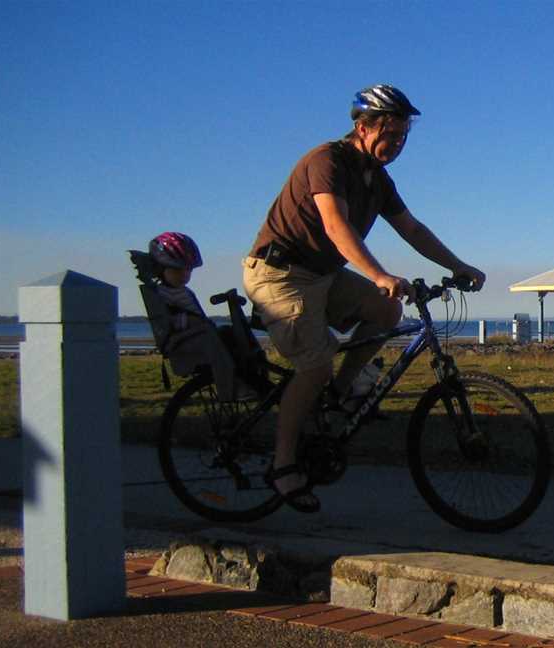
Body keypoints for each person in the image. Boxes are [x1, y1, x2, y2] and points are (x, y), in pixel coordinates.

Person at [243, 84, 486, 513]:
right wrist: (377, 273)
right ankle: (283, 465)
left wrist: (457, 265)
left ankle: (339, 393)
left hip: (322, 274)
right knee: (314, 365)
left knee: (386, 310)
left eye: (402, 137)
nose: (395, 145)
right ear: (361, 127)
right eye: (388, 134)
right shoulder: (327, 161)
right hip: (279, 273)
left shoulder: (380, 180)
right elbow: (336, 226)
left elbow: (412, 229)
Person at [149, 232, 240, 402]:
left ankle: (248, 378)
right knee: (214, 342)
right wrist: (191, 321)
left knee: (232, 334)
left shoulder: (183, 292)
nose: (184, 275)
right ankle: (229, 391)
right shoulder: (163, 294)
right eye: (177, 269)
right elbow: (169, 322)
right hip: (183, 340)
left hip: (195, 334)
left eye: (188, 270)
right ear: (161, 269)